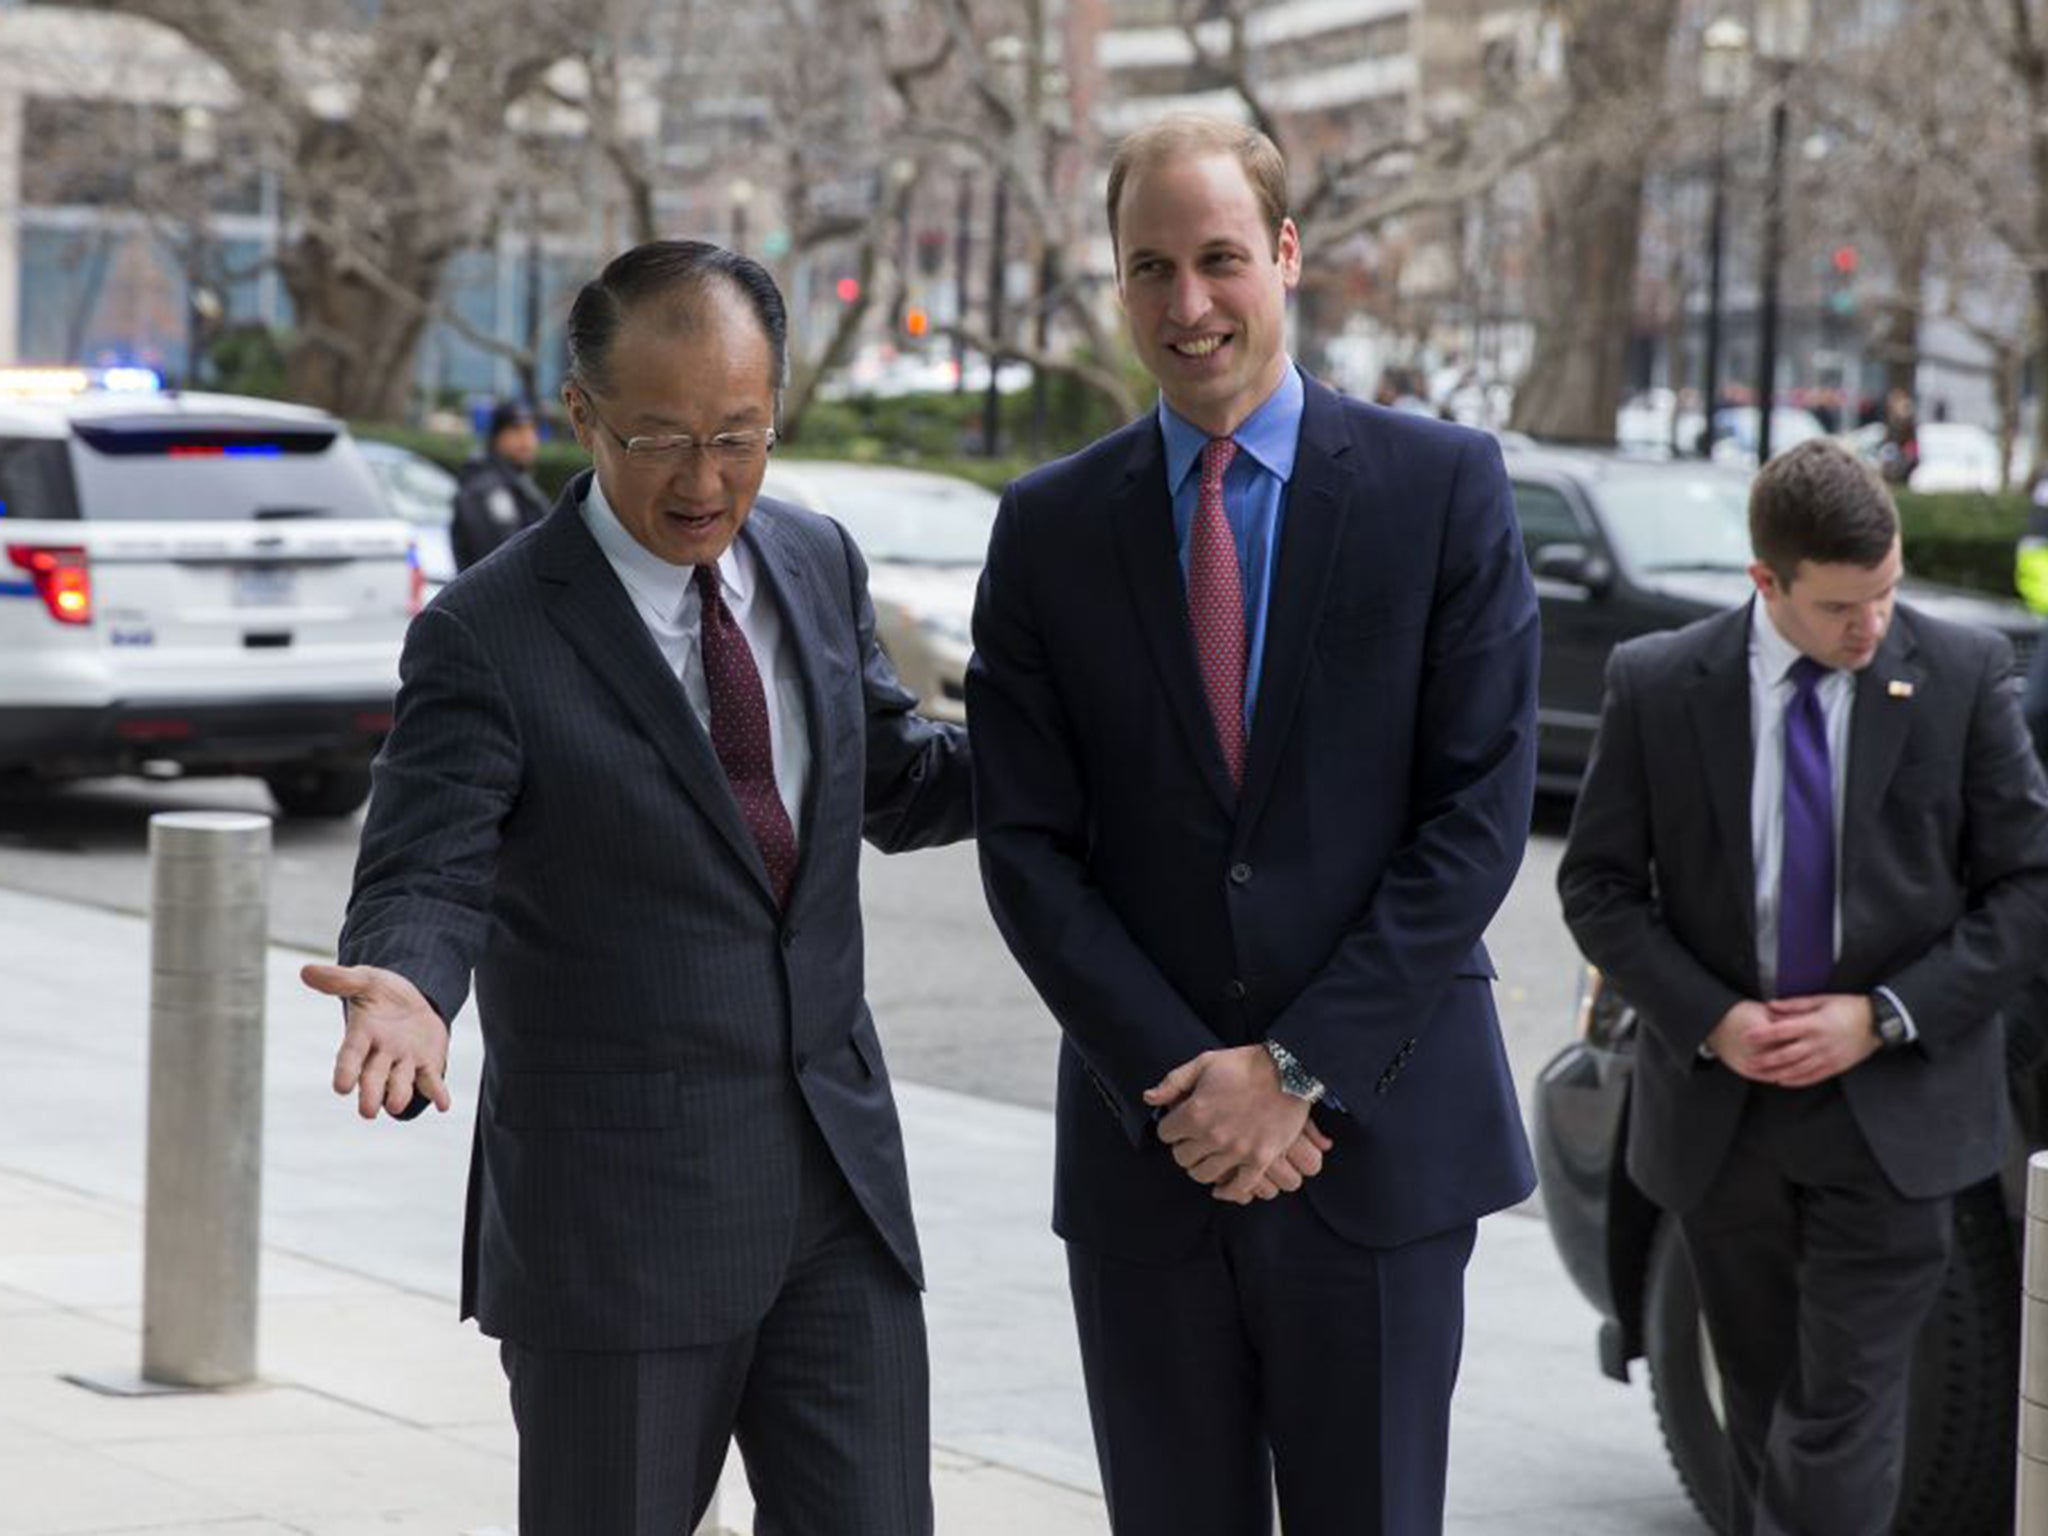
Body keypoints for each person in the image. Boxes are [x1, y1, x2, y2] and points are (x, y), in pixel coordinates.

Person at [300, 240, 970, 1535]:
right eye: (661, 437)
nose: (706, 479)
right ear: (582, 417)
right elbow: (429, 870)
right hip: (619, 1226)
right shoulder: (487, 634)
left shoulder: (817, 559)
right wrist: (404, 987)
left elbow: (892, 774)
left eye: (740, 434)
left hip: (838, 1197)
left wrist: (1084, 748)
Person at [968, 114, 1540, 1536]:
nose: (1188, 303)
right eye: (1149, 267)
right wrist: (1190, 1083)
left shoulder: (1442, 489)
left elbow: (1475, 820)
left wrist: (1294, 1070)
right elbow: (1026, 849)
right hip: (1148, 1157)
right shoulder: (1046, 528)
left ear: (1287, 256)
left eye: (1220, 258)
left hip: (1382, 1145)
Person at [1557, 438, 2048, 1536]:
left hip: (1896, 1117)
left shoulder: (1960, 676)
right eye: (1838, 606)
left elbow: (2026, 888)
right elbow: (1593, 887)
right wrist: (1710, 1018)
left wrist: (1881, 1015)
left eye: (1881, 592)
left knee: (1842, 1424)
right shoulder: (1656, 685)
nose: (1868, 626)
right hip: (1721, 1122)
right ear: (1763, 583)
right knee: (1762, 1419)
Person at [450, 399, 550, 570]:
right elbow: (499, 557)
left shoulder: (518, 481)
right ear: (497, 436)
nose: (527, 440)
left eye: (532, 430)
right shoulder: (487, 488)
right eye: (517, 431)